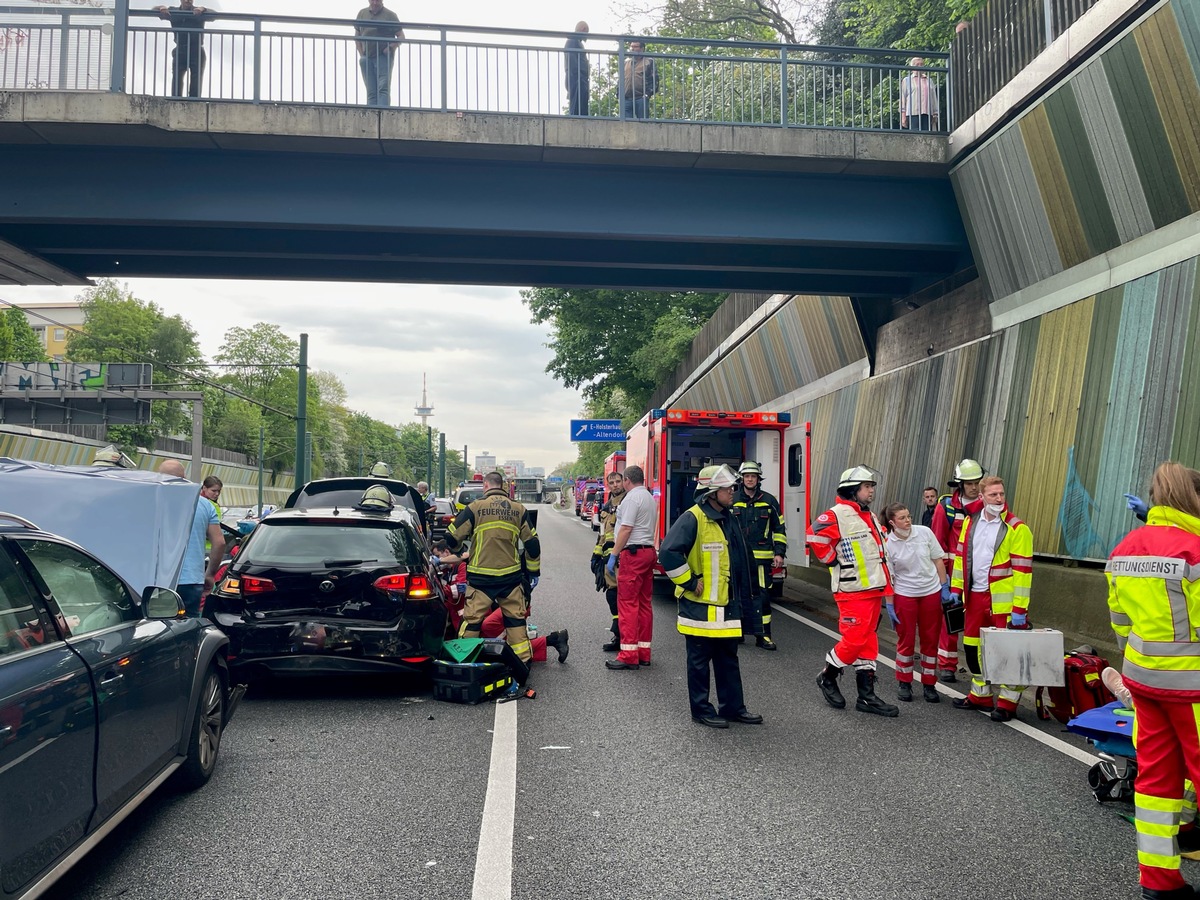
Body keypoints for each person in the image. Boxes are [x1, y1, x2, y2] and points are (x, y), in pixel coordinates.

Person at [1107, 461, 1200, 900]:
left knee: (1157, 782)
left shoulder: (1126, 547)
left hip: (1144, 680)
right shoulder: (1194, 550)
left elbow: (1120, 621)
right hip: (1193, 687)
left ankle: (1160, 883)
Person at [659, 464, 763, 728]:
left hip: (726, 606)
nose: (733, 491)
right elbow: (668, 554)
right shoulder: (693, 518)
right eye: (728, 488)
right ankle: (702, 710)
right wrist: (690, 581)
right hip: (700, 608)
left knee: (729, 659)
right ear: (711, 492)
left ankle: (732, 707)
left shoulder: (729, 517)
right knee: (699, 662)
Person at [807, 465, 899, 717]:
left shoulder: (866, 515)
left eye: (871, 487)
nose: (871, 492)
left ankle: (866, 697)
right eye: (867, 487)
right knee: (855, 638)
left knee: (868, 641)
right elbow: (814, 535)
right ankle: (828, 675)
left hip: (873, 588)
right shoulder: (837, 514)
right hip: (851, 589)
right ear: (853, 490)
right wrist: (830, 559)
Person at [947, 475, 1033, 721]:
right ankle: (980, 695)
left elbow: (1023, 573)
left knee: (1007, 653)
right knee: (973, 649)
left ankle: (1008, 701)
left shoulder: (1017, 528)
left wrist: (1020, 609)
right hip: (973, 597)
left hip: (1003, 603)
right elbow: (961, 559)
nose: (998, 499)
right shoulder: (970, 523)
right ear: (981, 497)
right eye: (993, 494)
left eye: (1001, 494)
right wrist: (956, 589)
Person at [445, 472, 540, 663]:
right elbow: (532, 545)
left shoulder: (475, 508)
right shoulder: (518, 509)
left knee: (472, 622)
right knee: (515, 623)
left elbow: (451, 536)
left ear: (485, 486)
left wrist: (459, 549)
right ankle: (522, 665)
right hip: (510, 577)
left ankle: (465, 662)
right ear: (502, 486)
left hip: (481, 578)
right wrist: (533, 572)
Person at [881, 503, 949, 703]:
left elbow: (938, 560)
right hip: (905, 594)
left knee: (930, 639)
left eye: (909, 516)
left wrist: (944, 587)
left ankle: (929, 684)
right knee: (906, 639)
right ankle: (904, 682)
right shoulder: (888, 544)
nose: (908, 520)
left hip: (930, 592)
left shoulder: (924, 533)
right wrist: (890, 605)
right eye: (902, 518)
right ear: (892, 523)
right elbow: (889, 577)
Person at [930, 458, 987, 683]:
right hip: (955, 573)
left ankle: (982, 667)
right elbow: (938, 544)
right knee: (951, 620)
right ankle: (947, 665)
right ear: (960, 484)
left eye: (977, 482)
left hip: (982, 575)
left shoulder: (988, 505)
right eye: (969, 483)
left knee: (981, 622)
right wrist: (942, 580)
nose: (974, 487)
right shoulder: (947, 507)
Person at [604, 465, 658, 669]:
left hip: (633, 555)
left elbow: (626, 529)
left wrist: (614, 554)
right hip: (648, 552)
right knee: (644, 604)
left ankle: (628, 655)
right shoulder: (648, 497)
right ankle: (644, 652)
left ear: (627, 480)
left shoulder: (631, 499)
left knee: (627, 604)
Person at [731, 460, 786, 650]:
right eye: (747, 476)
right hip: (737, 557)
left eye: (753, 476)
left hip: (762, 559)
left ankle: (764, 635)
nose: (750, 479)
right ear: (742, 479)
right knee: (736, 594)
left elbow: (779, 528)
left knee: (761, 596)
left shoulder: (770, 501)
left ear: (758, 479)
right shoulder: (732, 499)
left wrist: (779, 553)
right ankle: (736, 632)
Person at [179, 474, 224, 617]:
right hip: (191, 577)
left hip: (155, 581)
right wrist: (210, 574)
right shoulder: (206, 505)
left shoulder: (151, 500)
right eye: (213, 490)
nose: (216, 494)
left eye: (218, 491)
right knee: (187, 626)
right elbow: (220, 542)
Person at [592, 469, 626, 650]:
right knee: (611, 594)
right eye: (611, 483)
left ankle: (624, 636)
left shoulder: (628, 502)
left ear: (623, 481)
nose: (615, 485)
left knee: (623, 596)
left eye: (618, 482)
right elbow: (602, 534)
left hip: (624, 556)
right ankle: (618, 634)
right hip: (609, 559)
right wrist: (596, 554)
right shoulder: (606, 507)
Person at [155, 0, 212, 99]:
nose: (187, 1)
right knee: (177, 78)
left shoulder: (198, 11)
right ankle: (176, 101)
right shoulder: (173, 11)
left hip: (196, 49)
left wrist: (203, 9)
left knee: (196, 79)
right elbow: (154, 10)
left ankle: (194, 102)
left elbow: (214, 15)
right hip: (181, 48)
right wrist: (161, 8)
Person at [356, 0, 403, 108]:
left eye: (378, 0)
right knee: (371, 90)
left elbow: (401, 36)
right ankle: (372, 114)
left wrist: (391, 48)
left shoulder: (390, 15)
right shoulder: (362, 14)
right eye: (373, 0)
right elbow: (357, 35)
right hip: (366, 56)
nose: (375, 3)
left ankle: (383, 113)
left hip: (383, 56)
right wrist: (361, 52)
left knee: (383, 88)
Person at [900, 57, 939, 132]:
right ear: (912, 67)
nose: (920, 66)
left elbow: (933, 97)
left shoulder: (929, 80)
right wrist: (903, 116)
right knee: (915, 134)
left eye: (921, 64)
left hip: (927, 112)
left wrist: (935, 113)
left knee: (927, 134)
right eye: (917, 65)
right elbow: (903, 99)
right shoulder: (907, 80)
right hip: (913, 113)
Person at [621, 40, 656, 120]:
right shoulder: (626, 62)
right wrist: (619, 94)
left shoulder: (649, 61)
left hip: (641, 98)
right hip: (626, 98)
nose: (632, 49)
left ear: (642, 48)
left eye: (635, 47)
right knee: (625, 124)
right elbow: (620, 80)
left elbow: (654, 80)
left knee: (643, 124)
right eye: (631, 46)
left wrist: (647, 94)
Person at [564, 21, 590, 116]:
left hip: (578, 78)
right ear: (583, 29)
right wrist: (579, 76)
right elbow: (572, 63)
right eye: (587, 32)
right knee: (576, 107)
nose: (587, 36)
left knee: (581, 106)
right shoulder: (572, 41)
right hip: (576, 78)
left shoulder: (575, 41)